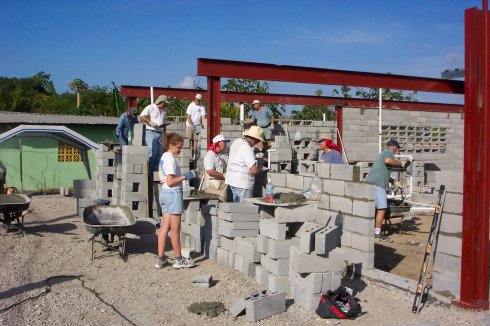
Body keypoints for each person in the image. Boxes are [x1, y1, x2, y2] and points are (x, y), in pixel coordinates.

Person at [155, 132, 197, 269]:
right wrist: (186, 176)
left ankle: (161, 259)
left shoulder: (164, 157)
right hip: (172, 193)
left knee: (164, 227)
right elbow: (171, 181)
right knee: (175, 229)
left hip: (164, 193)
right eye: (179, 147)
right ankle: (179, 260)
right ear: (171, 145)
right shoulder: (170, 159)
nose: (180, 150)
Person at [366, 139, 407, 241]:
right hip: (378, 184)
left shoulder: (382, 154)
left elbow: (383, 173)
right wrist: (400, 162)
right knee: (382, 208)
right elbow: (388, 161)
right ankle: (377, 233)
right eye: (396, 149)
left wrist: (395, 183)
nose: (396, 151)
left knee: (373, 208)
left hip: (371, 182)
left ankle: (371, 230)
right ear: (394, 147)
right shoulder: (388, 152)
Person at [225, 126, 266, 202]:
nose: (256, 143)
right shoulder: (247, 148)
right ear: (253, 138)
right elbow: (253, 170)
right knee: (244, 211)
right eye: (257, 141)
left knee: (235, 209)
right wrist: (260, 169)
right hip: (243, 184)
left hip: (232, 181)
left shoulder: (236, 141)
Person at [139, 95, 169, 171]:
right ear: (161, 102)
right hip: (151, 132)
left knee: (159, 153)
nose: (165, 105)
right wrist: (150, 122)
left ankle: (155, 170)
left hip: (160, 133)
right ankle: (149, 170)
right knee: (152, 151)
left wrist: (164, 133)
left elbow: (164, 123)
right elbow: (142, 116)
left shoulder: (163, 111)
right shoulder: (150, 107)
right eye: (165, 103)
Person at [203, 134, 230, 202]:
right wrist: (223, 175)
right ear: (219, 144)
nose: (226, 145)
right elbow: (210, 171)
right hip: (214, 185)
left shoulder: (218, 154)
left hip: (220, 184)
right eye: (224, 143)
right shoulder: (210, 154)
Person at [185, 93, 206, 160]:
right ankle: (188, 155)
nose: (198, 101)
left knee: (196, 140)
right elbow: (188, 117)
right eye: (197, 100)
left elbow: (203, 117)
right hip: (189, 124)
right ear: (195, 99)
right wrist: (191, 125)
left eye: (199, 100)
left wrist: (203, 125)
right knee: (189, 139)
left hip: (197, 125)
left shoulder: (202, 107)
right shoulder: (191, 106)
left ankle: (194, 154)